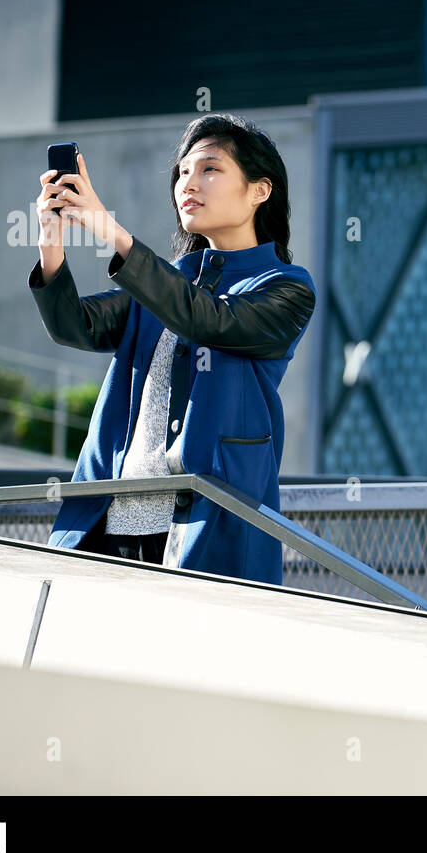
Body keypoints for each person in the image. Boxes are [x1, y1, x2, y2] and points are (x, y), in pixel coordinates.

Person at [27, 114, 315, 585]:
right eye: (182, 172)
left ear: (259, 190)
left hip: (204, 524)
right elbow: (75, 326)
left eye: (209, 170)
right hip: (110, 520)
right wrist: (51, 241)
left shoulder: (286, 287)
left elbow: (207, 319)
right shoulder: (168, 277)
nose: (188, 184)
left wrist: (108, 228)